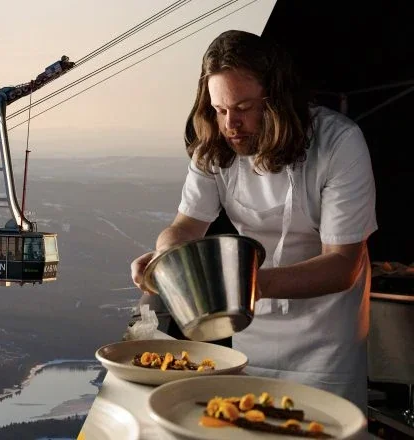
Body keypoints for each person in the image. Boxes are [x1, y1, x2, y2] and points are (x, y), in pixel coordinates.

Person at [130, 30, 377, 412]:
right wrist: (169, 258)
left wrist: (241, 285)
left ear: (277, 100)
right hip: (252, 328)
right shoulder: (214, 147)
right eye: (219, 109)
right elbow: (186, 226)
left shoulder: (339, 143)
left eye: (243, 107)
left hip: (328, 338)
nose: (231, 123)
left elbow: (343, 265)